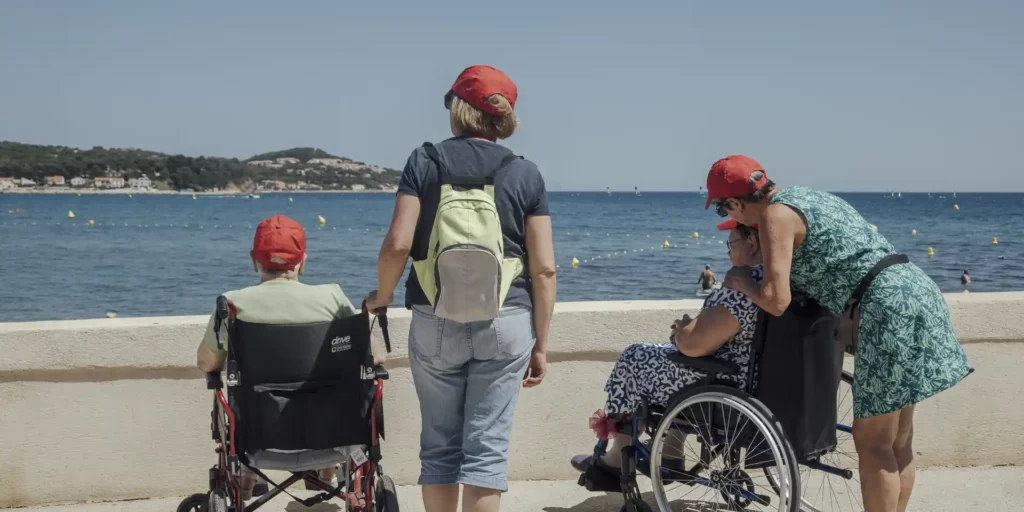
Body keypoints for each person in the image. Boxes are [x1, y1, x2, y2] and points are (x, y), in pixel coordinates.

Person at [705, 155, 972, 512]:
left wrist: (740, 281)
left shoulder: (774, 216)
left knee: (873, 441)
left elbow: (775, 299)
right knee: (899, 440)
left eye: (725, 211)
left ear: (736, 203)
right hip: (915, 289)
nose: (732, 219)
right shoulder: (809, 197)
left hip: (886, 306)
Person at [364, 65, 556, 512]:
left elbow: (397, 244)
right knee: (486, 454)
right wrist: (542, 344)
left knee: (440, 449)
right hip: (506, 320)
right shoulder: (525, 173)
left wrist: (384, 296)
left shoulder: (424, 160)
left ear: (459, 109)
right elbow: (544, 269)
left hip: (434, 319)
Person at [195, 214, 379, 500]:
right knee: (330, 388)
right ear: (302, 261)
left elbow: (207, 363)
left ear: (254, 260)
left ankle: (245, 481)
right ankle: (327, 474)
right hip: (333, 440)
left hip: (258, 443)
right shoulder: (333, 298)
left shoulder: (232, 304)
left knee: (247, 399)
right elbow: (372, 356)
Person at [570, 219, 763, 479]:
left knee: (634, 356)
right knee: (664, 359)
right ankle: (671, 452)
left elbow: (694, 346)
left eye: (731, 243)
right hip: (748, 373)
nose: (727, 251)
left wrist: (683, 330)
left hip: (723, 379)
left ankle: (616, 459)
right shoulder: (774, 283)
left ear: (752, 242)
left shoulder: (745, 284)